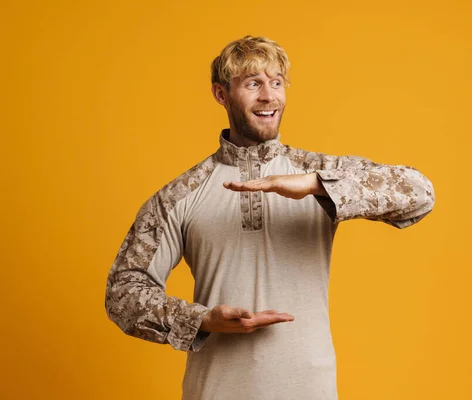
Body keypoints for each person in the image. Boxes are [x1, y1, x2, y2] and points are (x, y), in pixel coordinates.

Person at [104, 35, 435, 400]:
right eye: (253, 84)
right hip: (215, 391)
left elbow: (419, 193)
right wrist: (201, 319)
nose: (269, 96)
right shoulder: (179, 195)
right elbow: (123, 292)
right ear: (221, 95)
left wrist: (315, 185)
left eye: (277, 82)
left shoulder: (318, 173)